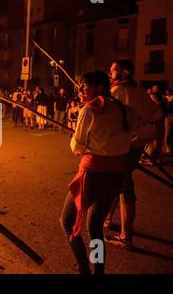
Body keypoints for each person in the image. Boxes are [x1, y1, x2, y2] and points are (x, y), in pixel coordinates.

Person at [60, 71, 134, 274]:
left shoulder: (89, 110)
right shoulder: (124, 109)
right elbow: (141, 131)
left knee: (67, 222)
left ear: (99, 88)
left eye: (85, 87)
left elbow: (77, 147)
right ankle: (98, 271)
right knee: (94, 226)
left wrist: (76, 134)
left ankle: (84, 269)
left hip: (93, 176)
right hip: (116, 176)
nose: (81, 91)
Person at [105, 59, 162, 250]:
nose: (110, 72)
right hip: (137, 143)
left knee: (123, 185)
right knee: (117, 180)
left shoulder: (117, 92)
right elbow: (157, 115)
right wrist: (157, 142)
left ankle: (125, 237)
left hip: (126, 145)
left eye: (114, 70)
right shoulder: (139, 90)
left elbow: (107, 120)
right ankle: (108, 217)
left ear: (125, 73)